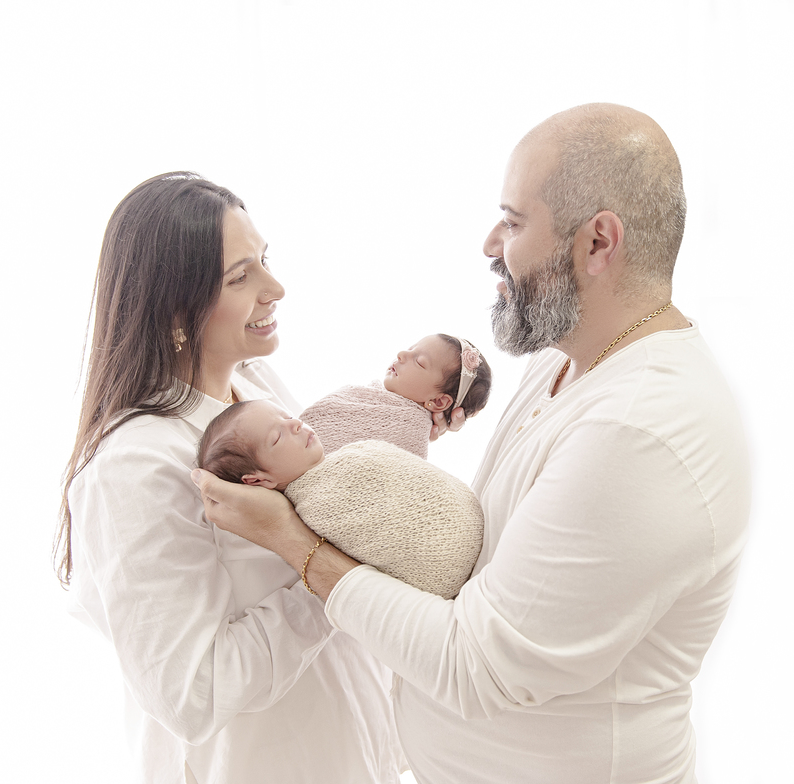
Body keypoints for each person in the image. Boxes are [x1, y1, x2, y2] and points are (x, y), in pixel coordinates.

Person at [192, 104, 751, 783]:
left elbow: (480, 667)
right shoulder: (565, 360)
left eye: (513, 222)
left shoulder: (639, 430)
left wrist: (293, 543)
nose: (490, 243)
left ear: (598, 242)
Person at [55, 172, 405, 783]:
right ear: (175, 309)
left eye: (265, 260)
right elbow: (193, 694)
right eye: (241, 277)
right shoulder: (135, 467)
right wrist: (331, 574)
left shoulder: (254, 386)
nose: (276, 288)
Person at [195, 399, 484, 598]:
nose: (296, 425)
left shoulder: (344, 457)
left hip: (477, 527)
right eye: (277, 437)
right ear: (258, 481)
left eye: (288, 416)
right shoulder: (314, 510)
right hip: (452, 567)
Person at [299, 333, 494, 459]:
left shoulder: (410, 434)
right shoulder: (368, 395)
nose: (401, 354)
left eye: (419, 362)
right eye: (410, 348)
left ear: (438, 401)